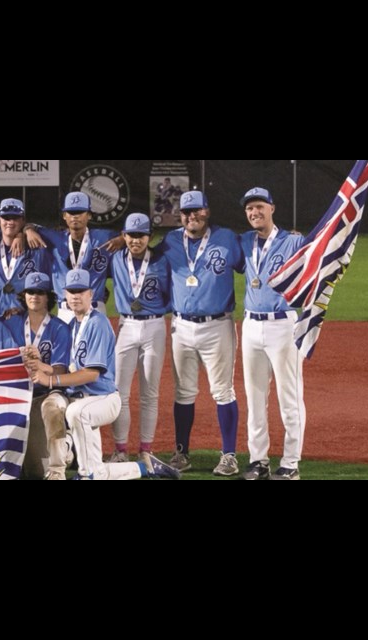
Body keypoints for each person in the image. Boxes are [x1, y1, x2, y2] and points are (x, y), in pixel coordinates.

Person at [25, 269, 179, 481]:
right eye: (72, 291)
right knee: (92, 463)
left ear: (91, 294)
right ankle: (144, 468)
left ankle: (80, 466)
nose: (76, 296)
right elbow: (68, 366)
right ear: (65, 296)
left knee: (76, 413)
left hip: (102, 398)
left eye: (80, 291)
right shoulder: (71, 326)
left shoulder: (98, 323)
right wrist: (41, 365)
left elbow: (91, 375)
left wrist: (51, 380)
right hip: (79, 397)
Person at [158, 190, 245, 476]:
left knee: (223, 391)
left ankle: (229, 455)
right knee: (183, 392)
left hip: (217, 324)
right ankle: (182, 452)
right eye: (186, 212)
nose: (191, 216)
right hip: (181, 326)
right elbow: (141, 250)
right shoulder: (171, 240)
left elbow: (253, 260)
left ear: (206, 212)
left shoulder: (227, 238)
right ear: (180, 215)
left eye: (197, 211)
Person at [238, 188, 306, 481]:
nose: (254, 212)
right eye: (250, 208)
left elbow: (324, 251)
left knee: (289, 397)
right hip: (251, 326)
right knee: (254, 398)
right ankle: (258, 461)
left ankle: (291, 463)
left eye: (259, 207)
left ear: (272, 208)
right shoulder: (243, 241)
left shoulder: (294, 241)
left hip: (282, 325)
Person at [107, 213, 172, 462]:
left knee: (149, 393)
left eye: (141, 235)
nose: (136, 240)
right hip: (125, 326)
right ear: (123, 236)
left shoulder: (161, 261)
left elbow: (171, 293)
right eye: (131, 235)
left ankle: (146, 450)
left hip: (154, 326)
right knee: (118, 391)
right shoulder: (115, 259)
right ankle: (120, 449)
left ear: (150, 237)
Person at [5, 272, 71, 480]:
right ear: (24, 296)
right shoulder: (11, 322)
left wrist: (41, 365)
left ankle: (68, 445)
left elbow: (60, 372)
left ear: (48, 297)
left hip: (44, 395)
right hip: (16, 397)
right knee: (19, 471)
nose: (35, 296)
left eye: (40, 292)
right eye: (30, 292)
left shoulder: (60, 328)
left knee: (37, 473)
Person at [25, 192, 118, 325]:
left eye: (80, 212)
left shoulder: (103, 237)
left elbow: (132, 234)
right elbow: (29, 225)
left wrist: (121, 239)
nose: (75, 216)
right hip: (65, 312)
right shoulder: (55, 238)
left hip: (95, 309)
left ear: (89, 215)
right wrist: (28, 230)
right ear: (64, 216)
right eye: (71, 212)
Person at [0, 199, 52, 319]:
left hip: (24, 317)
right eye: (6, 218)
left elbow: (47, 286)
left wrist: (28, 229)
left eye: (15, 218)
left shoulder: (36, 249)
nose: (10, 222)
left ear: (23, 221)